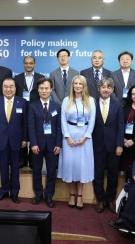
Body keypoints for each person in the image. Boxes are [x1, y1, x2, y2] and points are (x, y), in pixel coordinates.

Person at [57, 75, 96, 210]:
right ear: (72, 85)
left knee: (81, 168)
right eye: (76, 83)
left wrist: (85, 137)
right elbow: (62, 120)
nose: (78, 86)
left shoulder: (90, 100)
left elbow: (92, 121)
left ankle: (80, 196)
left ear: (84, 86)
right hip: (69, 138)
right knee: (71, 167)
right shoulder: (66, 100)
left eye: (80, 84)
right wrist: (67, 137)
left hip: (84, 138)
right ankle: (71, 195)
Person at [0, 78, 28, 203]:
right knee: (3, 167)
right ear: (2, 88)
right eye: (5, 86)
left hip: (17, 140)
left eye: (11, 86)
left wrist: (25, 139)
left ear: (15, 88)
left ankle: (15, 193)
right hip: (1, 140)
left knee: (15, 168)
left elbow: (25, 123)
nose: (8, 89)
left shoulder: (22, 102)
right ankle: (4, 191)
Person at [28, 78, 62, 208]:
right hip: (37, 144)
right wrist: (34, 143)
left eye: (47, 88)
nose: (44, 91)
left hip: (53, 145)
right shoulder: (32, 105)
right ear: (38, 90)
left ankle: (49, 195)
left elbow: (59, 128)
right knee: (36, 170)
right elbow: (30, 127)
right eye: (41, 88)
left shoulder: (57, 106)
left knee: (51, 171)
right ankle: (38, 194)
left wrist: (58, 144)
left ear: (51, 90)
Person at [92, 77, 124, 213]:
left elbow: (120, 127)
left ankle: (110, 200)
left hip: (113, 146)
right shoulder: (91, 104)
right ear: (99, 88)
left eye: (108, 87)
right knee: (97, 174)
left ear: (112, 90)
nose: (106, 89)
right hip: (96, 145)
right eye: (103, 87)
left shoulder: (118, 106)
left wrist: (119, 145)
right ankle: (100, 200)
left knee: (113, 175)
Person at [14, 56, 45, 168]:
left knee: (34, 133)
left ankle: (32, 159)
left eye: (31, 63)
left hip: (36, 109)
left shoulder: (40, 78)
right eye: (26, 63)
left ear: (34, 65)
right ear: (23, 64)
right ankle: (22, 159)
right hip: (20, 110)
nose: (28, 65)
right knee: (21, 133)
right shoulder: (17, 78)